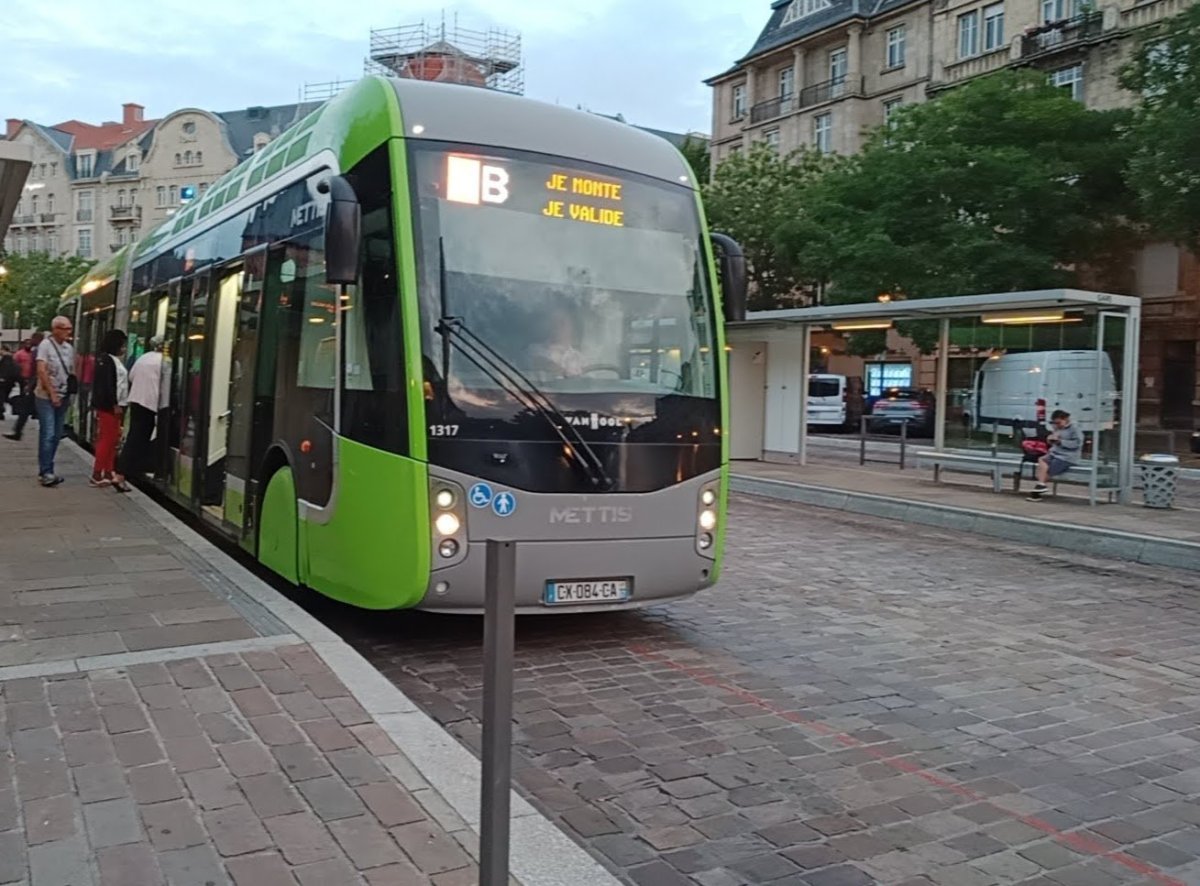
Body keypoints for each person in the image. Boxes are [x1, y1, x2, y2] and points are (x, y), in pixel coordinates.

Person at [34, 316, 76, 487]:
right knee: (48, 433)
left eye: (70, 328)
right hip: (45, 396)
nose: (69, 332)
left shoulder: (68, 348)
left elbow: (70, 370)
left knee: (57, 434)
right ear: (55, 329)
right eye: (65, 328)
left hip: (63, 395)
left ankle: (47, 468)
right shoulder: (45, 346)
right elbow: (41, 371)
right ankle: (46, 471)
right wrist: (52, 393)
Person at [117, 335, 164, 479]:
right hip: (151, 402)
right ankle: (130, 467)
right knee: (144, 436)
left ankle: (128, 466)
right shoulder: (164, 361)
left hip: (136, 399)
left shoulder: (143, 357)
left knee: (135, 433)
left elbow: (131, 376)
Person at [91, 329, 130, 491]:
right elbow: (108, 385)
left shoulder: (109, 360)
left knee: (112, 439)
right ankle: (97, 473)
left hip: (114, 405)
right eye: (123, 345)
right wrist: (114, 403)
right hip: (110, 407)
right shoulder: (106, 360)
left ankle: (108, 471)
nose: (124, 348)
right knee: (107, 439)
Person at [1027, 409, 1082, 502]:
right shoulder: (1058, 428)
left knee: (1046, 472)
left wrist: (1061, 442)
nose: (1057, 425)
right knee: (1042, 460)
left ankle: (1036, 493)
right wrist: (1050, 439)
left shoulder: (1074, 429)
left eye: (1059, 422)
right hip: (1054, 453)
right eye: (1055, 423)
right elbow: (1053, 441)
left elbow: (1077, 444)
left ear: (1066, 419)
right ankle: (1041, 485)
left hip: (1067, 457)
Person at [5, 335, 43, 441]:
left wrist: (30, 385)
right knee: (28, 408)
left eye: (33, 339)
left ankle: (18, 431)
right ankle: (18, 430)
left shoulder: (38, 351)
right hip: (31, 382)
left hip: (35, 384)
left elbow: (36, 370)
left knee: (28, 408)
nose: (31, 341)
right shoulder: (34, 351)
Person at [529, 306, 586, 377]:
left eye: (562, 323)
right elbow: (538, 362)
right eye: (553, 322)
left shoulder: (579, 358)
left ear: (572, 327)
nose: (557, 327)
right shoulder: (534, 350)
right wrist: (559, 370)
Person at [0, 346, 14, 420]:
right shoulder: (9, 358)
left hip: (4, 382)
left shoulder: (6, 358)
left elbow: (5, 369)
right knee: (3, 397)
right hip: (8, 382)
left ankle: (1, 411)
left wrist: (2, 378)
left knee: (2, 397)